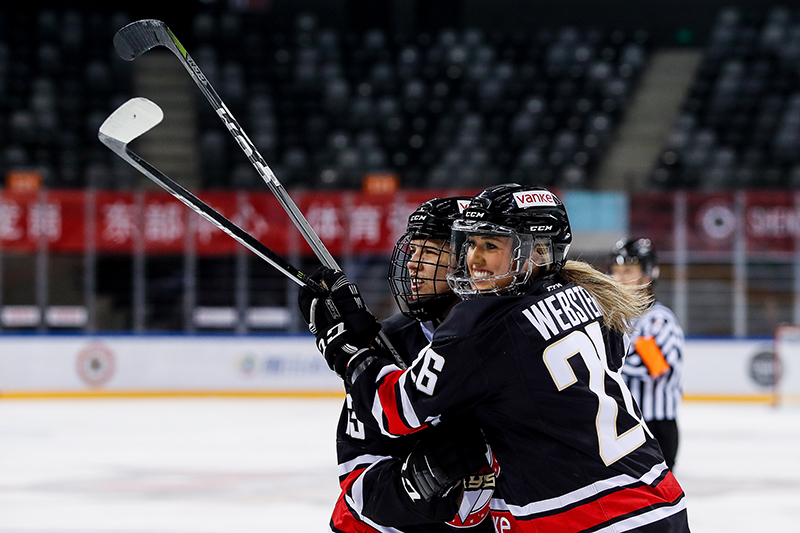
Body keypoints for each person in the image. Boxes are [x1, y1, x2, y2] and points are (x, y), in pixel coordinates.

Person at [302, 184, 690, 532]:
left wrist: (346, 348)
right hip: (656, 498)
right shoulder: (582, 295)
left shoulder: (483, 322)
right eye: (469, 244)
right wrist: (409, 489)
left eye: (490, 245)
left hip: (583, 516)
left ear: (534, 253)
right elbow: (355, 495)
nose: (474, 258)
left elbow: (393, 407)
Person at [300, 197, 498, 532]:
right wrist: (410, 488)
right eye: (413, 252)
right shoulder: (386, 342)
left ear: (470, 263)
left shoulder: (512, 336)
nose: (413, 264)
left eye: (430, 253)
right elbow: (357, 478)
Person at [610, 238, 685, 470]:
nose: (619, 277)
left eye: (628, 270)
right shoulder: (613, 318)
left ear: (648, 274)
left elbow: (653, 367)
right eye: (616, 270)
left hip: (655, 425)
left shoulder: (658, 320)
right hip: (618, 424)